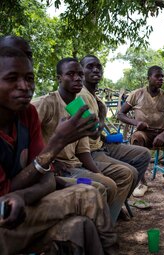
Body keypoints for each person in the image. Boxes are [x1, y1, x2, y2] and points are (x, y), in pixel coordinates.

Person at [0, 46, 117, 254]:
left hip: (32, 198)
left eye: (29, 78)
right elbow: (7, 196)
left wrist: (24, 195)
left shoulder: (27, 115)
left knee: (82, 225)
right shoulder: (45, 105)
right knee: (90, 195)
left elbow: (46, 177)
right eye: (11, 78)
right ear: (59, 78)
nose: (25, 86)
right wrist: (57, 143)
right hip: (6, 221)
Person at [34, 57, 134, 224]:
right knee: (102, 187)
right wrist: (49, 163)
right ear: (59, 78)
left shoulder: (80, 108)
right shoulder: (46, 103)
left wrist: (97, 173)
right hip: (53, 168)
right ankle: (98, 231)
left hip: (73, 166)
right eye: (70, 74)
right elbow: (27, 137)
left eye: (80, 74)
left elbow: (83, 150)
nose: (77, 78)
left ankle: (106, 224)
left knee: (115, 180)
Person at [79, 55, 151, 198]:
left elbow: (96, 132)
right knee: (130, 171)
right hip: (90, 151)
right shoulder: (81, 95)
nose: (95, 70)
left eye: (98, 67)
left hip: (101, 145)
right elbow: (92, 132)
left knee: (144, 154)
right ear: (81, 71)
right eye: (90, 67)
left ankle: (120, 200)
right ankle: (115, 206)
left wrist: (105, 137)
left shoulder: (95, 97)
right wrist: (103, 114)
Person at [118, 65, 164, 192]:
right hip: (144, 134)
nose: (161, 79)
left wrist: (163, 135)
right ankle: (142, 182)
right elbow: (120, 114)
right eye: (157, 76)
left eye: (162, 76)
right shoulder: (137, 94)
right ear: (148, 78)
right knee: (136, 138)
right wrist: (136, 123)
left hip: (163, 134)